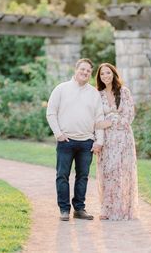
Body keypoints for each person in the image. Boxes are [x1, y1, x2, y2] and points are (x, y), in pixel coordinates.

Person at [46, 58, 104, 221]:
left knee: (83, 176)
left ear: (90, 74)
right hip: (66, 141)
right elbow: (51, 112)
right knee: (62, 175)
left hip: (87, 142)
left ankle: (79, 209)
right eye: (82, 69)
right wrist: (58, 133)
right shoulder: (61, 89)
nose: (85, 73)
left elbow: (99, 118)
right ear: (76, 69)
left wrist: (99, 140)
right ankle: (64, 210)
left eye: (88, 71)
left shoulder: (93, 93)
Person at [95, 63, 138, 220]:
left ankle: (123, 209)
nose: (105, 76)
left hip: (123, 139)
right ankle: (107, 209)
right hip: (106, 140)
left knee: (122, 172)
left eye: (108, 73)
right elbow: (96, 120)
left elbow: (129, 116)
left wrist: (111, 120)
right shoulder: (97, 95)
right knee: (108, 172)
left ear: (113, 74)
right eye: (102, 74)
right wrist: (102, 126)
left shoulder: (124, 92)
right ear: (99, 77)